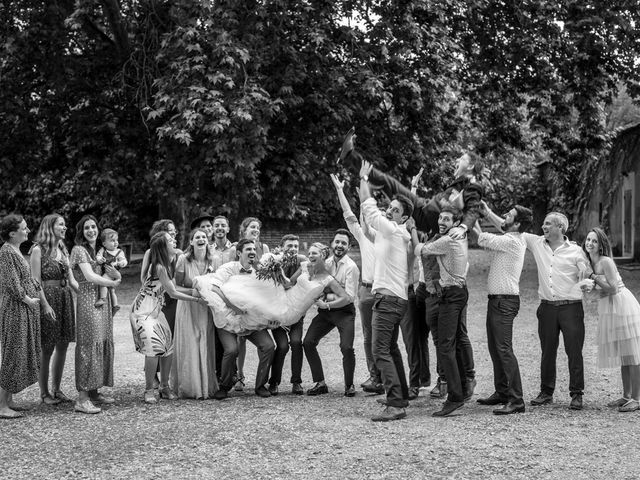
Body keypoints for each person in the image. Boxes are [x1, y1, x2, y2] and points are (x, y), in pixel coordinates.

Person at [359, 160, 413, 422]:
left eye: (395, 209)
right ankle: (400, 396)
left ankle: (395, 404)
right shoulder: (389, 233)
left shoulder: (393, 230)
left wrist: (364, 180)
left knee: (380, 351)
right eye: (389, 208)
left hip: (388, 300)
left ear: (404, 217)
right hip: (393, 299)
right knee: (390, 350)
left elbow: (370, 211)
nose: (390, 211)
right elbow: (368, 226)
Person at [522, 212, 591, 410]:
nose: (544, 227)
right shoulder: (537, 244)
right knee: (547, 351)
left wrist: (583, 272)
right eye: (543, 223)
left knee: (574, 351)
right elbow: (512, 230)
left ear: (560, 227)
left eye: (548, 224)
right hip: (547, 308)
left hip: (571, 308)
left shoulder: (576, 250)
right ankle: (546, 392)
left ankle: (577, 394)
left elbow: (583, 267)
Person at [411, 206, 476, 417]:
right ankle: (464, 386)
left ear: (455, 223)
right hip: (455, 292)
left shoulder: (447, 241)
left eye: (447, 219)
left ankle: (455, 396)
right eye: (440, 218)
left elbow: (419, 250)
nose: (442, 221)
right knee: (453, 342)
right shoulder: (452, 238)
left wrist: (412, 230)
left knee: (445, 345)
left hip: (452, 294)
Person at [130, 231, 205, 404]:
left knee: (167, 348)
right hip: (143, 310)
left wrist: (198, 289)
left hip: (157, 310)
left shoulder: (170, 262)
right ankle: (149, 390)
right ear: (163, 247)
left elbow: (173, 286)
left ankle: (164, 387)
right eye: (170, 240)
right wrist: (196, 299)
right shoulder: (159, 267)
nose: (175, 241)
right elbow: (173, 292)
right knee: (153, 348)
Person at [198, 239, 276, 399]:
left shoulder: (259, 272)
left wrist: (270, 318)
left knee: (268, 346)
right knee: (232, 350)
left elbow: (267, 297)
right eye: (248, 249)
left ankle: (260, 385)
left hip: (250, 320)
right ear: (239, 253)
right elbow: (214, 287)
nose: (252, 252)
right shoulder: (228, 268)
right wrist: (232, 306)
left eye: (254, 249)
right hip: (227, 318)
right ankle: (225, 385)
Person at [475, 203, 533, 415]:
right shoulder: (514, 235)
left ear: (517, 224)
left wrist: (471, 221)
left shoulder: (512, 240)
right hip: (498, 300)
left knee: (504, 350)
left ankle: (516, 400)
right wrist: (486, 210)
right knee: (495, 348)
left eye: (509, 215)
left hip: (504, 302)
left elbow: (484, 239)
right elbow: (502, 225)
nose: (504, 216)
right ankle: (502, 392)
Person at [330, 173, 384, 394]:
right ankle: (375, 377)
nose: (362, 218)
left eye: (367, 214)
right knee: (369, 337)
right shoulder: (361, 236)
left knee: (384, 338)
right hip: (366, 291)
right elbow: (348, 215)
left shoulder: (388, 236)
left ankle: (392, 378)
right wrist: (340, 191)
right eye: (362, 215)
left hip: (386, 292)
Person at [583, 227, 640, 412]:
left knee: (633, 355)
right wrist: (587, 289)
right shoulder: (591, 261)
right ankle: (626, 396)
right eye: (588, 240)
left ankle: (637, 399)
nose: (590, 243)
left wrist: (592, 277)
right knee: (625, 355)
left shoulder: (605, 261)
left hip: (622, 305)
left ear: (601, 245)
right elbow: (600, 292)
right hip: (610, 306)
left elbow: (614, 288)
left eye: (594, 241)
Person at [69, 214, 121, 414]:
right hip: (88, 299)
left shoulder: (98, 250)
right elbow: (90, 276)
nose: (91, 230)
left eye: (93, 227)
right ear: (81, 232)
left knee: (101, 340)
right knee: (89, 345)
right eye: (86, 228)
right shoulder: (79, 250)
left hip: (102, 300)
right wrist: (113, 283)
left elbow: (111, 268)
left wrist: (115, 275)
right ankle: (82, 399)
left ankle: (93, 391)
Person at [303, 231, 359, 397]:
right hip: (326, 312)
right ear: (332, 244)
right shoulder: (325, 263)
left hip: (344, 312)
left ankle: (349, 385)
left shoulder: (351, 268)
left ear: (349, 247)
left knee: (347, 347)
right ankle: (320, 383)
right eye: (337, 242)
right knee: (308, 342)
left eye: (344, 243)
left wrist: (327, 303)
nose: (340, 245)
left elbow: (348, 298)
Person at [30, 213, 79, 406]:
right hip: (48, 299)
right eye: (61, 224)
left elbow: (71, 278)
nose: (65, 227)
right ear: (50, 227)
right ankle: (44, 393)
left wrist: (83, 295)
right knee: (47, 347)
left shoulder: (62, 248)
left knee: (63, 345)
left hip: (65, 297)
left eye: (65, 225)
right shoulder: (37, 250)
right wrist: (45, 305)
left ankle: (57, 389)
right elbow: (35, 281)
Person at [0, 214, 41, 419]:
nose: (28, 231)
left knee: (18, 351)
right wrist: (28, 300)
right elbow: (12, 284)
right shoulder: (6, 252)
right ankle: (1, 405)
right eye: (24, 228)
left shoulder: (15, 249)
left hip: (22, 307)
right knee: (12, 354)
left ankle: (8, 400)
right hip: (16, 308)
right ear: (12, 233)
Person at [171, 228, 218, 399]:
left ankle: (206, 386)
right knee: (190, 344)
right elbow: (175, 286)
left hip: (206, 308)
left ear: (207, 240)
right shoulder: (183, 260)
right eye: (197, 237)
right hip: (188, 306)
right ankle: (190, 387)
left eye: (204, 237)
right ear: (191, 242)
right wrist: (194, 293)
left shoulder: (214, 260)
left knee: (205, 342)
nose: (201, 239)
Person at [268, 234, 307, 395]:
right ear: (282, 247)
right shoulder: (273, 263)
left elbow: (289, 283)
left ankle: (296, 382)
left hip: (296, 313)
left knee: (297, 343)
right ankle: (274, 381)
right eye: (289, 246)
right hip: (279, 313)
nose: (293, 249)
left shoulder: (302, 261)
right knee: (282, 346)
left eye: (295, 246)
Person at [234, 217, 270, 392]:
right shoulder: (237, 246)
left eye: (258, 227)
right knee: (240, 339)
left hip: (259, 296)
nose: (256, 230)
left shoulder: (264, 248)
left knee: (261, 335)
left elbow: (267, 271)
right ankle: (239, 375)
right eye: (252, 227)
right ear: (244, 229)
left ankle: (261, 379)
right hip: (240, 295)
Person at [140, 219, 182, 335]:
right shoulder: (150, 253)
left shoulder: (178, 253)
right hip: (157, 301)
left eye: (174, 231)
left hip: (174, 299)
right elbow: (143, 278)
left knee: (172, 334)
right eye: (170, 231)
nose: (173, 234)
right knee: (155, 335)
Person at [95, 228, 127, 315]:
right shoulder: (103, 250)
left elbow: (124, 261)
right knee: (112, 290)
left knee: (103, 283)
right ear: (104, 243)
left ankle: (102, 298)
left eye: (116, 240)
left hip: (111, 273)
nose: (116, 242)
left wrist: (121, 263)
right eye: (112, 240)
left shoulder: (119, 252)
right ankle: (115, 305)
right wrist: (100, 259)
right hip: (109, 272)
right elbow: (98, 256)